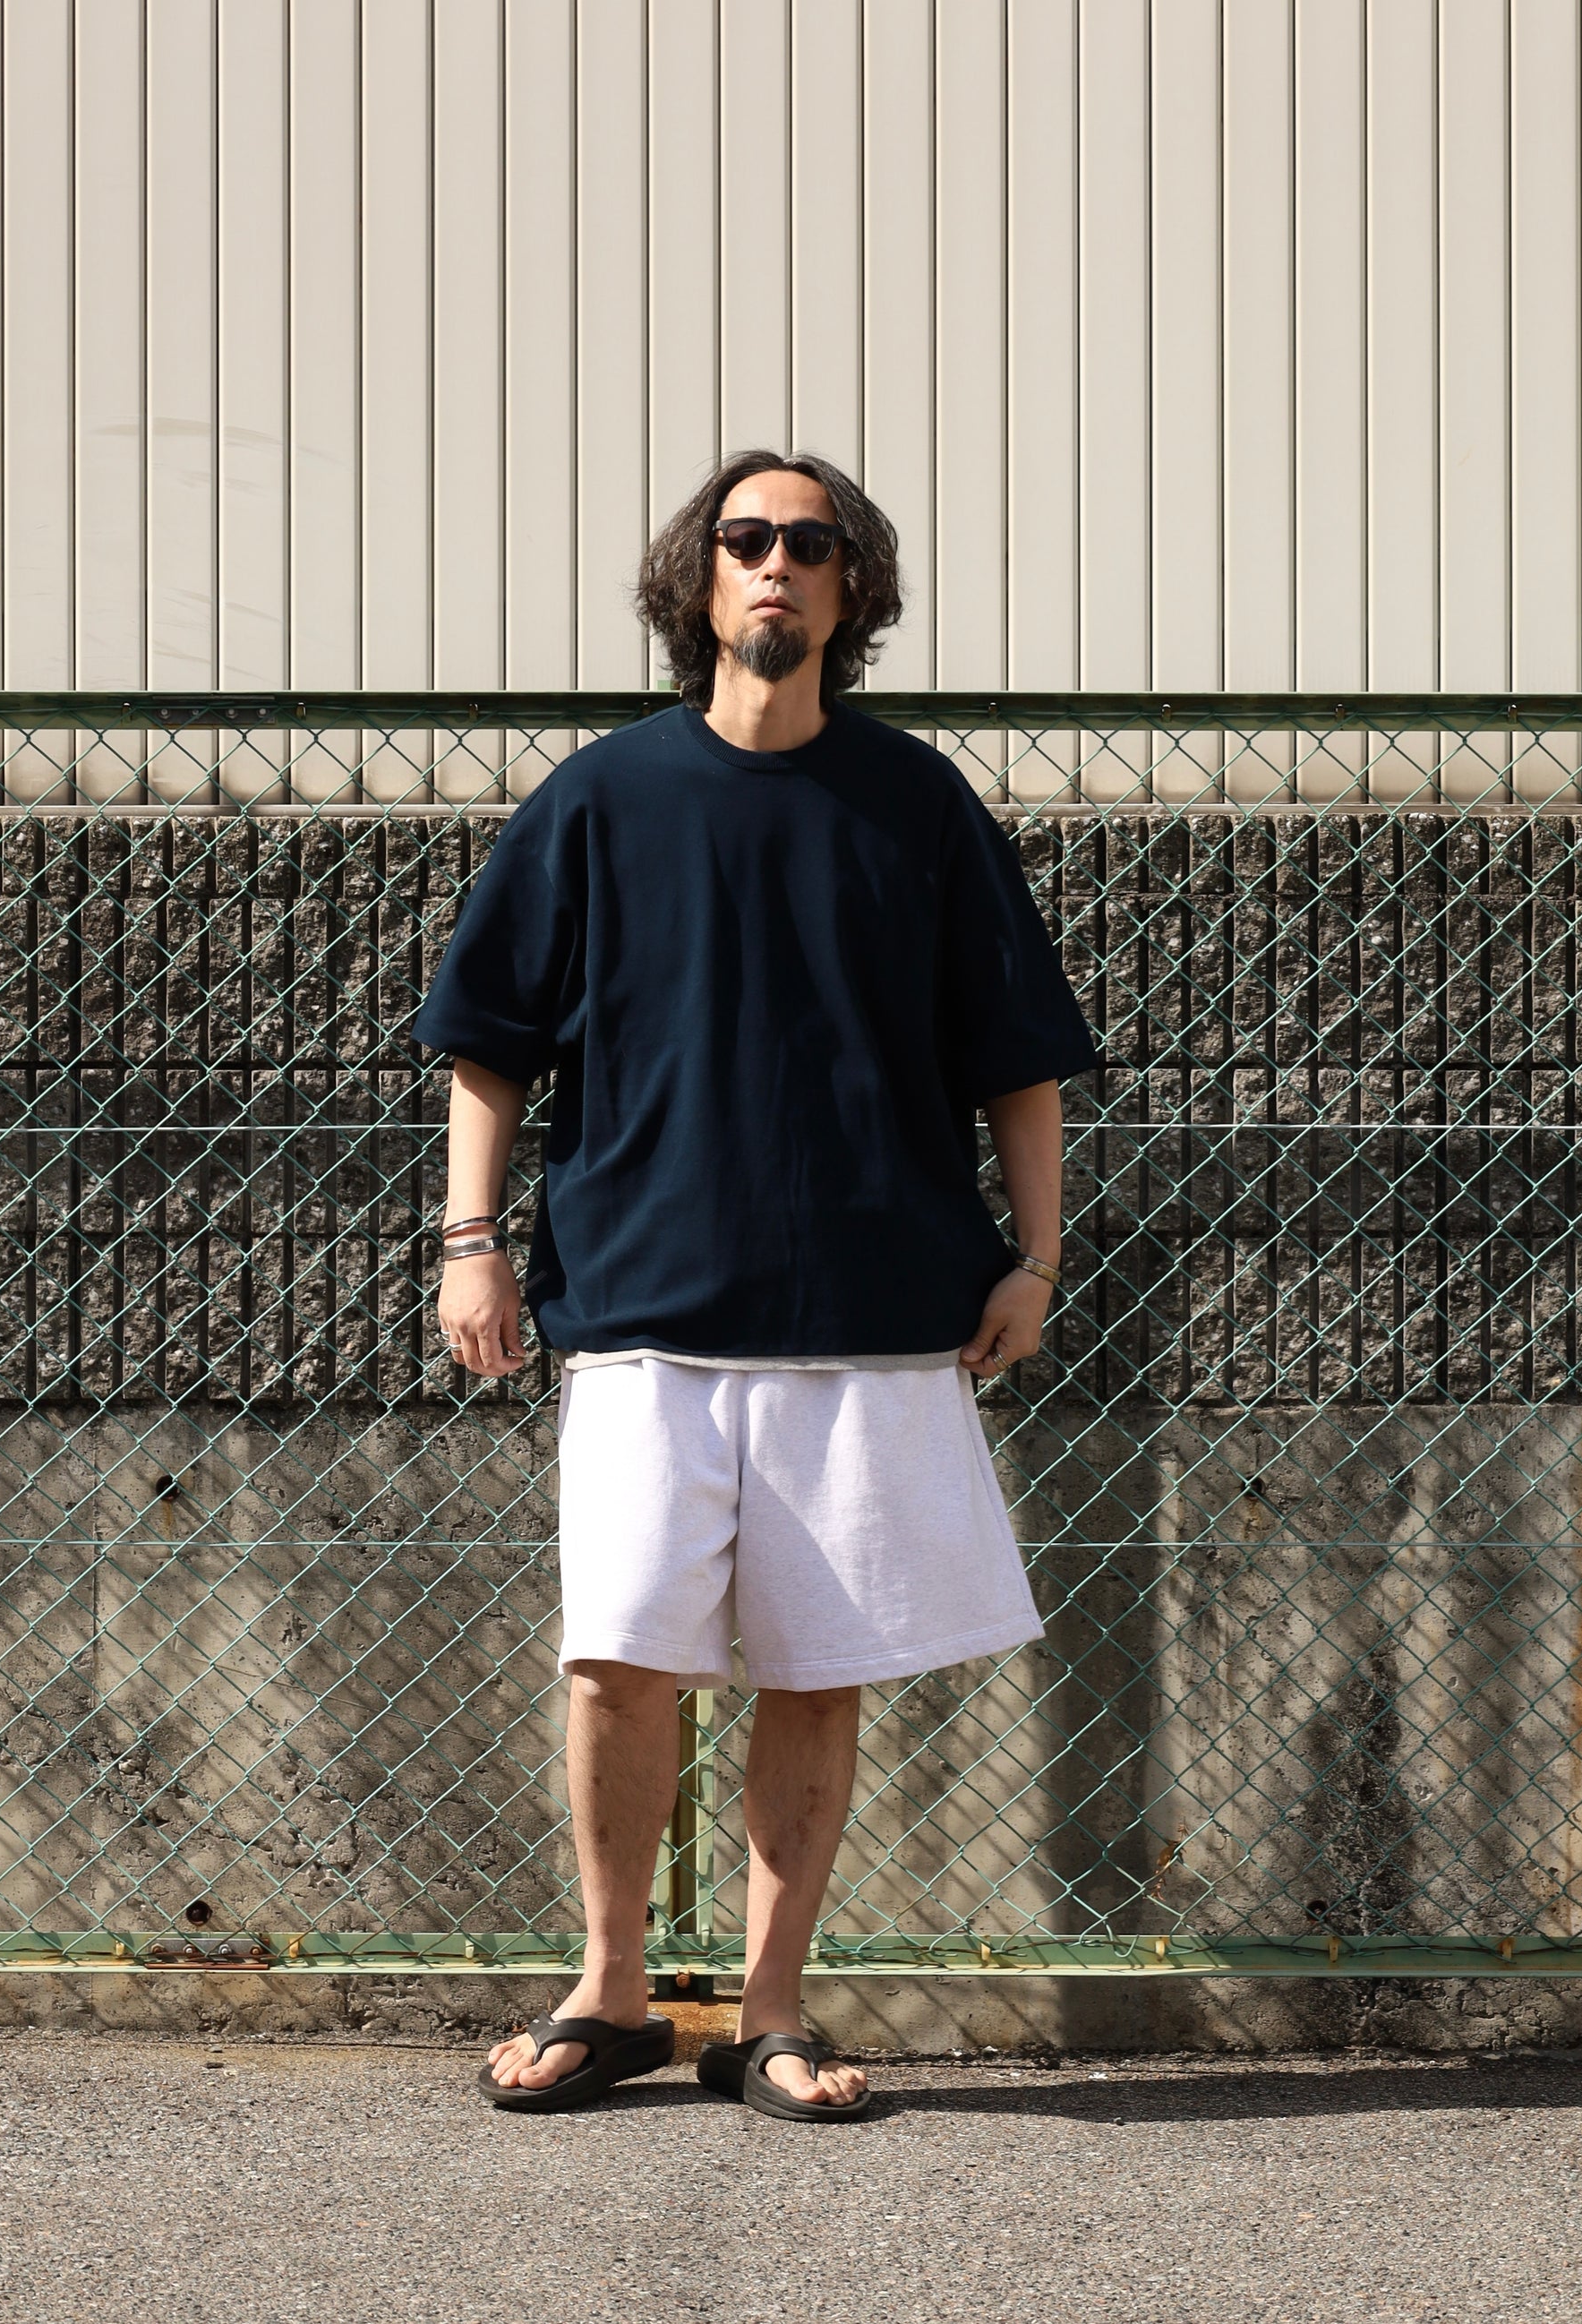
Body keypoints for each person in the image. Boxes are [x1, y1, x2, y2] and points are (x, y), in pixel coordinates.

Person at [415, 449, 1099, 2121]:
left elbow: (1014, 1061)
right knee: (614, 1658)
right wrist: (468, 1241)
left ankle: (770, 2015)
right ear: (698, 580)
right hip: (641, 1302)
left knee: (814, 1668)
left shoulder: (916, 804)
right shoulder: (599, 800)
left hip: (869, 1313)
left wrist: (1035, 1259)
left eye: (809, 543)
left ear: (851, 588)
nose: (775, 564)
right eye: (744, 540)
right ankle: (611, 1994)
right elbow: (491, 1046)